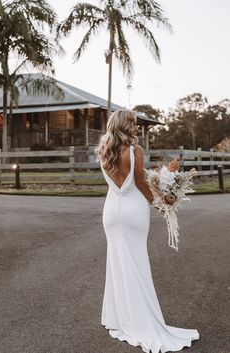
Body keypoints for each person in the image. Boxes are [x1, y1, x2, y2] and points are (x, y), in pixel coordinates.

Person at [94, 109, 200, 353]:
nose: (136, 128)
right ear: (126, 125)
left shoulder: (104, 151)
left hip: (111, 211)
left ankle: (119, 318)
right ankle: (140, 321)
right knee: (137, 265)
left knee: (118, 264)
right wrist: (163, 205)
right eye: (133, 123)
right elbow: (141, 184)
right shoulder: (134, 151)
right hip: (133, 212)